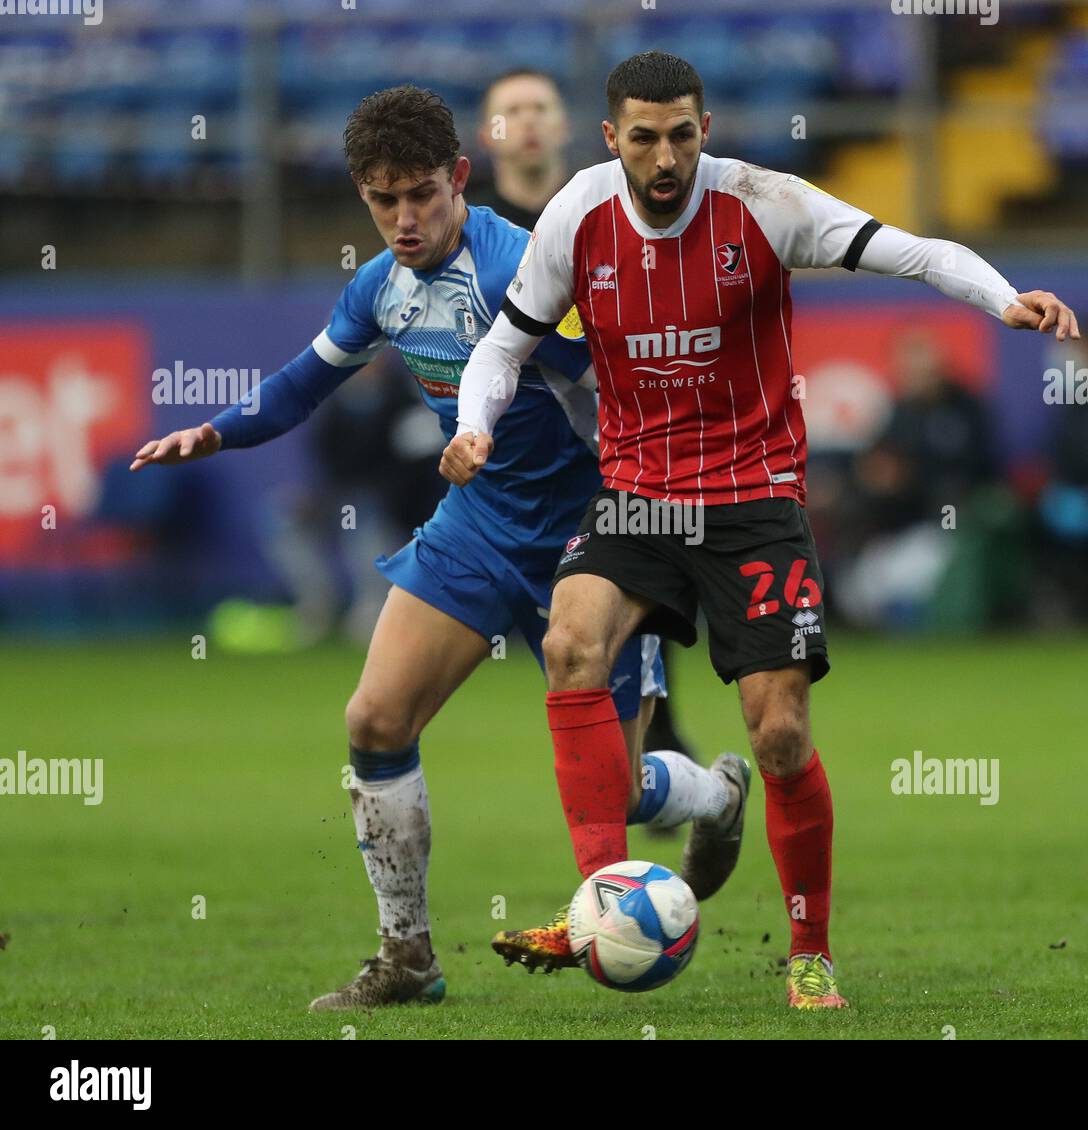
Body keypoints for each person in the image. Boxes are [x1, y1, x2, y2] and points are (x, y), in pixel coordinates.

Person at [445, 52, 1080, 1009]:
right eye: (646, 138)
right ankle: (595, 909)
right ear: (612, 138)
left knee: (778, 734)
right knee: (570, 639)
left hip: (753, 497)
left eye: (684, 135)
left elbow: (915, 250)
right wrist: (472, 426)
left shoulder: (765, 204)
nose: (667, 158)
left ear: (707, 130)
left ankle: (810, 951)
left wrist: (1004, 299)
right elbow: (504, 345)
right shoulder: (578, 215)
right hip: (637, 492)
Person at [130, 84, 740, 1011]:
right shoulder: (380, 287)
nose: (405, 220)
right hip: (480, 526)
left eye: (421, 194)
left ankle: (716, 797)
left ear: (459, 178)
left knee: (612, 795)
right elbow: (302, 386)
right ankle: (407, 955)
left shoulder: (521, 272)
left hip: (596, 537)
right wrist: (210, 433)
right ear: (363, 198)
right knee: (374, 721)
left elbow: (626, 397)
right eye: (384, 202)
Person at [477, 66, 699, 761]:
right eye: (512, 109)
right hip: (523, 463)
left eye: (541, 104)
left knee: (637, 601)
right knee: (562, 638)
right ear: (491, 134)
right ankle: (628, 764)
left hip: (617, 452)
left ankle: (655, 735)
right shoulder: (475, 236)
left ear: (567, 125)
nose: (530, 119)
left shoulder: (615, 208)